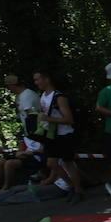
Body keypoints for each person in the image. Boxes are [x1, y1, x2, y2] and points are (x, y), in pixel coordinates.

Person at [33, 70, 84, 203]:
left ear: (46, 79)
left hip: (64, 134)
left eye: (38, 79)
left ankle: (78, 190)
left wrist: (48, 118)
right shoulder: (42, 96)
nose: (36, 83)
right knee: (52, 164)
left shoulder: (59, 97)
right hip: (51, 136)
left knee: (68, 163)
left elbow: (69, 119)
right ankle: (72, 186)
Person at [0, 175, 73, 208]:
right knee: (15, 189)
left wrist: (41, 183)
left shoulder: (60, 159)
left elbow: (54, 174)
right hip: (50, 182)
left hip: (59, 187)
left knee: (25, 194)